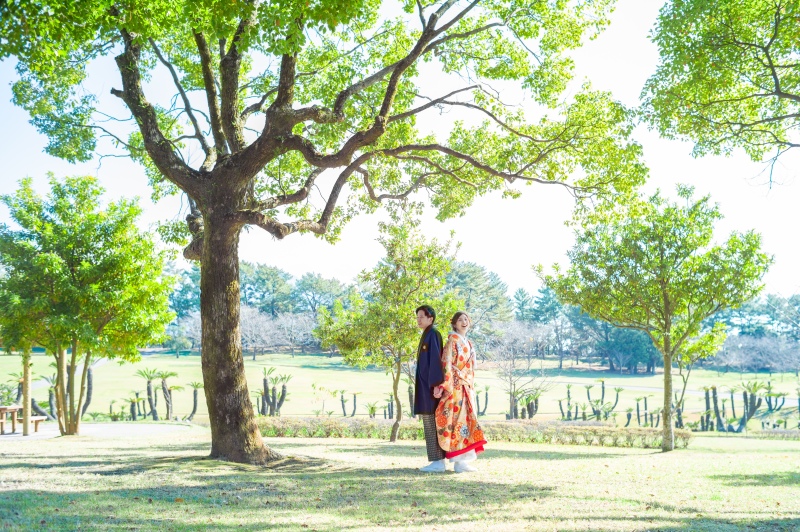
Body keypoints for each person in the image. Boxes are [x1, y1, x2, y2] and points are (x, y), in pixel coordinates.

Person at [433, 311, 487, 473]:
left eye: (466, 319)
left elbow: (471, 367)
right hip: (456, 387)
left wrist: (469, 382)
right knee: (458, 421)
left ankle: (463, 461)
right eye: (460, 320)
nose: (464, 322)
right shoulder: (452, 340)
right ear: (454, 324)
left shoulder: (468, 342)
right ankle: (458, 461)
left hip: (466, 386)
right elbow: (446, 363)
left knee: (468, 421)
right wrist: (445, 385)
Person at [413, 304, 446, 472]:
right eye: (417, 317)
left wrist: (436, 385)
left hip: (431, 388)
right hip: (425, 387)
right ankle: (436, 460)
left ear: (430, 319)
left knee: (433, 422)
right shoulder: (426, 335)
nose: (418, 320)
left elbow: (435, 361)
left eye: (422, 317)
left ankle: (438, 461)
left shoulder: (433, 334)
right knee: (428, 421)